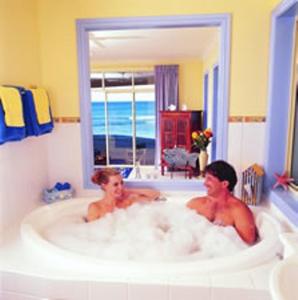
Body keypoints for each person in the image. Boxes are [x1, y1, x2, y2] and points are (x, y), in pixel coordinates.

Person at [187, 160, 257, 244]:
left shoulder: (239, 211)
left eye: (209, 179)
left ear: (224, 184)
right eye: (205, 178)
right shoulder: (195, 204)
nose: (205, 184)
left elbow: (248, 244)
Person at [86, 168, 160, 222]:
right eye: (115, 184)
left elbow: (155, 195)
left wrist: (129, 191)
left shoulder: (127, 201)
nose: (120, 187)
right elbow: (91, 232)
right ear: (104, 186)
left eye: (121, 183)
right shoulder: (95, 207)